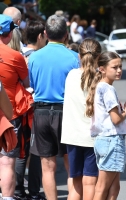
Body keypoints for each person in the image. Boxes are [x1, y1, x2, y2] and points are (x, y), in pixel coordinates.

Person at [28, 14, 80, 200]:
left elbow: (32, 85)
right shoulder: (75, 57)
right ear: (66, 35)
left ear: (45, 33)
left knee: (47, 167)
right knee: (71, 165)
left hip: (41, 112)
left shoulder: (34, 58)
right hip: (67, 113)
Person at [61, 38, 102, 200]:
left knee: (75, 181)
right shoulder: (101, 79)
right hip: (93, 138)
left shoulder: (71, 75)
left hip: (72, 137)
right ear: (99, 57)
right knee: (90, 183)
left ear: (79, 55)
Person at [85, 51, 126, 200]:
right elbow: (116, 119)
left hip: (104, 140)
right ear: (102, 69)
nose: (119, 70)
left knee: (114, 188)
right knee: (102, 188)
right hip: (112, 139)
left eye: (120, 67)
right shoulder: (108, 89)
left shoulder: (100, 86)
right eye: (114, 67)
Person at [13, 20, 47, 200]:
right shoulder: (37, 57)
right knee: (34, 152)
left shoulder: (20, 55)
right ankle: (33, 192)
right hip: (33, 110)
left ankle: (17, 190)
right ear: (41, 36)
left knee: (20, 151)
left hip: (18, 109)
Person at [0, 14, 30, 200]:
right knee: (7, 162)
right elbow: (27, 83)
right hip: (9, 115)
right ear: (9, 33)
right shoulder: (15, 56)